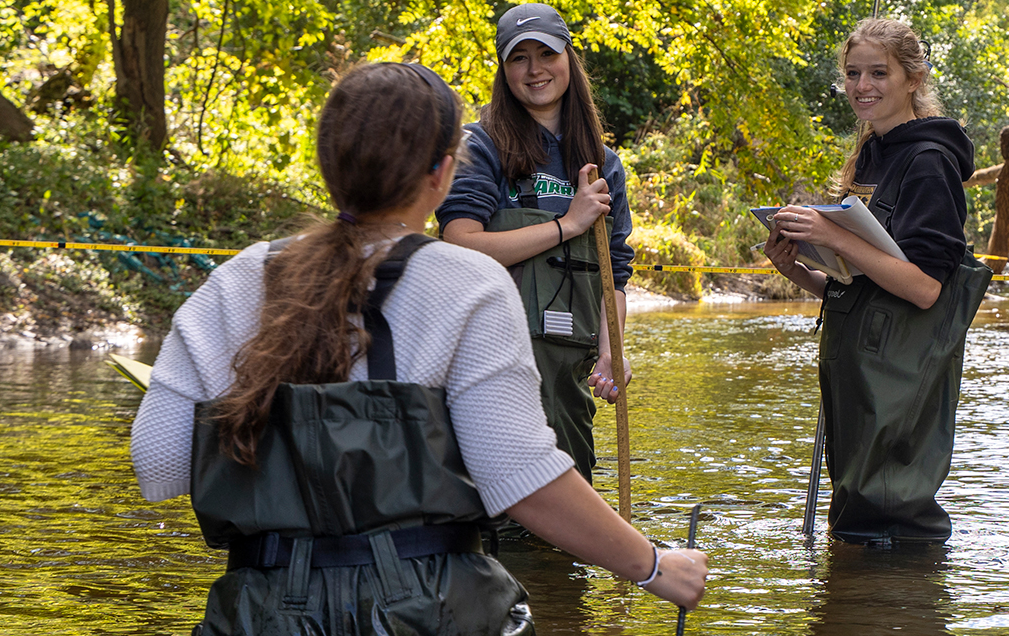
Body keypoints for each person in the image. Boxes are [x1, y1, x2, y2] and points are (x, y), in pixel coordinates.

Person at [130, 61, 704, 634]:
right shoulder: (468, 284)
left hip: (263, 613)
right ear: (443, 174)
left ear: (330, 163)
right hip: (424, 612)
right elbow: (522, 478)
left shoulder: (237, 281)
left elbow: (158, 464)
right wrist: (655, 566)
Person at [764, 18, 991, 545]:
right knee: (856, 519)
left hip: (898, 379)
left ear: (914, 78)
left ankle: (896, 614)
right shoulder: (872, 153)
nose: (861, 85)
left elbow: (925, 289)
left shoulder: (929, 162)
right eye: (852, 73)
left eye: (878, 73)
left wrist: (833, 235)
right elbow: (860, 287)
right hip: (859, 367)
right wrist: (796, 268)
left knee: (890, 522)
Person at [437, 3, 634, 481]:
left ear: (569, 57)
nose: (534, 69)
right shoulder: (478, 147)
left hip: (568, 378)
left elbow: (618, 273)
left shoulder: (602, 163)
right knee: (500, 519)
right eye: (518, 58)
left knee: (567, 519)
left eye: (546, 52)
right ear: (504, 72)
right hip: (490, 368)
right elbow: (458, 242)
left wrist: (612, 351)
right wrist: (568, 225)